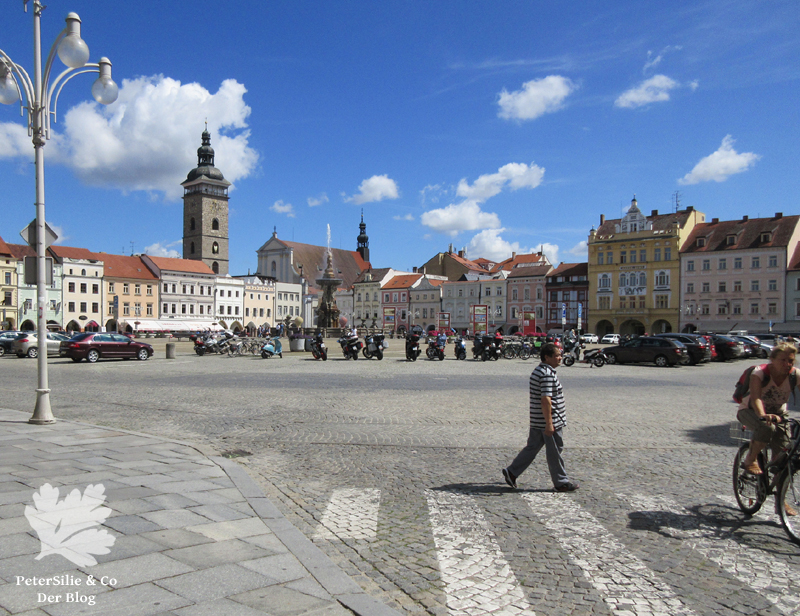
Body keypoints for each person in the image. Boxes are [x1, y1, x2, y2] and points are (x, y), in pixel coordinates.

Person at [502, 342, 579, 492]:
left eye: (560, 355)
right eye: (557, 355)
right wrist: (549, 424)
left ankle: (512, 471)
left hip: (538, 419)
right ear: (547, 357)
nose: (560, 358)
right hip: (549, 420)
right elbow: (546, 399)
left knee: (532, 448)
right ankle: (561, 482)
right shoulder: (547, 374)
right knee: (555, 451)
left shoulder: (539, 370)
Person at [738, 341, 798, 477]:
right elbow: (756, 398)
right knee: (766, 427)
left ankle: (780, 496)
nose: (787, 364)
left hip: (779, 414)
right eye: (782, 360)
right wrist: (762, 415)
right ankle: (750, 460)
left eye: (791, 361)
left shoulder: (795, 375)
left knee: (783, 457)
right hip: (750, 411)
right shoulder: (759, 373)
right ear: (772, 359)